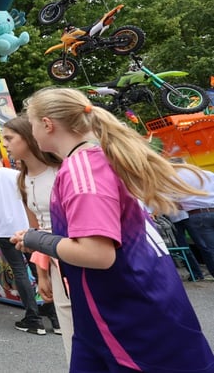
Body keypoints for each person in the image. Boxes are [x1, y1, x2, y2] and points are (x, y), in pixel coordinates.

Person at [13, 87, 214, 372]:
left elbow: (98, 254)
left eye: (32, 124)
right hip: (115, 311)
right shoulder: (93, 160)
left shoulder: (83, 168)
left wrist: (38, 239)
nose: (31, 132)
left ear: (47, 124)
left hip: (129, 316)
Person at [1, 116, 72, 360]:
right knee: (69, 327)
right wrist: (42, 274)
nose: (6, 145)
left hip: (75, 254)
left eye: (10, 138)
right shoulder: (22, 180)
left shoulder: (62, 170)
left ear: (29, 137)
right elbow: (37, 230)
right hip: (52, 260)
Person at [0, 151, 45, 335]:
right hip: (28, 228)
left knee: (20, 270)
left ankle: (33, 319)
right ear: (0, 159)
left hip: (6, 231)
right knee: (39, 268)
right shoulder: (16, 174)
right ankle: (55, 318)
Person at [172, 159, 214, 280]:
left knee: (210, 248)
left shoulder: (176, 179)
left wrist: (185, 204)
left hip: (196, 216)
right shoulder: (207, 174)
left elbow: (173, 203)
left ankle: (199, 273)